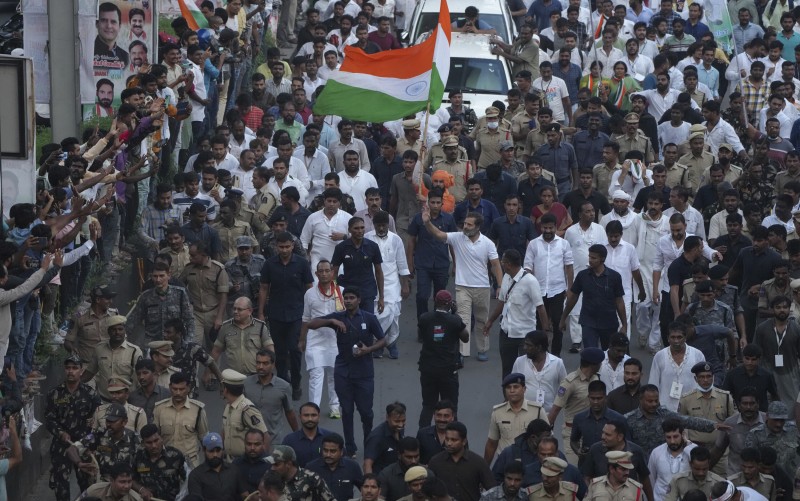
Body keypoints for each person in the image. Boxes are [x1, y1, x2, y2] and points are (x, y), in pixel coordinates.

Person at [306, 287, 387, 456]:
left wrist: (369, 350)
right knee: (347, 411)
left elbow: (383, 340)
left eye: (352, 297)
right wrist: (331, 322)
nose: (348, 300)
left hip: (364, 373)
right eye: (346, 298)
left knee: (366, 412)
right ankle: (350, 447)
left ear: (359, 299)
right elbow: (311, 324)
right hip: (343, 372)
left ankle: (368, 441)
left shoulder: (369, 318)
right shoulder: (338, 317)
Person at [421, 205, 502, 362]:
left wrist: (499, 286)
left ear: (478, 227)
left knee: (482, 320)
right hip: (462, 287)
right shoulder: (457, 238)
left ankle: (482, 349)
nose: (465, 227)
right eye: (465, 223)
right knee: (463, 320)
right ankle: (463, 352)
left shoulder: (488, 243)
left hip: (482, 287)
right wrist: (427, 222)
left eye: (469, 224)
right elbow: (438, 234)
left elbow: (496, 265)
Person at [259, 231, 314, 398]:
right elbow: (263, 288)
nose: (284, 250)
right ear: (277, 247)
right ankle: (284, 383)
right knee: (280, 353)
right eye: (281, 247)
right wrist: (261, 312)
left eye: (287, 247)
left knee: (295, 350)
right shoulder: (269, 264)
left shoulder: (302, 264)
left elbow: (309, 287)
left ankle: (296, 382)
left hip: (297, 314)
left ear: (292, 246)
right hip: (275, 314)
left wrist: (312, 312)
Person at [485, 249, 551, 377]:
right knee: (507, 371)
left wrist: (545, 333)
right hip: (506, 333)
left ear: (508, 264)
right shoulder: (506, 277)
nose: (501, 264)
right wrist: (490, 321)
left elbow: (540, 308)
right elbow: (501, 303)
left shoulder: (530, 281)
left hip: (524, 336)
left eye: (503, 262)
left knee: (527, 371)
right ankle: (508, 397)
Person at [46, 354, 102, 501]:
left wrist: (91, 440)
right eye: (68, 368)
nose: (71, 371)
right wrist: (60, 432)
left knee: (87, 486)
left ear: (81, 371)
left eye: (75, 368)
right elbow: (49, 419)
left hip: (83, 446)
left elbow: (97, 421)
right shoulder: (54, 393)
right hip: (61, 445)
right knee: (61, 487)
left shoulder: (91, 394)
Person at [523, 213, 574, 355]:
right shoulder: (533, 244)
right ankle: (541, 353)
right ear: (540, 228)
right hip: (538, 290)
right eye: (545, 228)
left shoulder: (564, 244)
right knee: (539, 324)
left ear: (555, 227)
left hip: (558, 290)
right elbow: (527, 266)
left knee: (558, 323)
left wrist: (570, 289)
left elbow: (569, 266)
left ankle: (555, 355)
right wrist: (530, 286)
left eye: (551, 228)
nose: (548, 231)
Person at [560, 244, 627, 349]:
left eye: (594, 258)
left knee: (608, 355)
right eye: (589, 256)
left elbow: (619, 301)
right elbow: (573, 298)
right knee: (590, 354)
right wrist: (563, 319)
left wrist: (624, 325)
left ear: (603, 259)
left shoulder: (614, 277)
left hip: (609, 323)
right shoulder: (582, 276)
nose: (590, 260)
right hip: (588, 322)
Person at [624, 384, 719, 459]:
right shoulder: (628, 419)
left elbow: (688, 421)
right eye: (650, 401)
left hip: (662, 463)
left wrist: (714, 425)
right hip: (639, 465)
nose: (654, 404)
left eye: (656, 401)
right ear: (641, 400)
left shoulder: (665, 414)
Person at [299, 260, 343, 418]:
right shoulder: (310, 293)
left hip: (335, 341)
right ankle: (313, 409)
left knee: (334, 375)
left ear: (332, 272)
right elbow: (305, 318)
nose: (324, 274)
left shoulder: (340, 291)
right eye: (321, 271)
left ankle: (334, 407)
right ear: (316, 274)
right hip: (315, 340)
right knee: (316, 376)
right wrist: (302, 340)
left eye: (327, 271)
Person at [417, 290, 468, 427]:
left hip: (427, 368)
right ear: (450, 303)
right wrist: (455, 314)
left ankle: (424, 436)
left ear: (435, 301)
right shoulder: (454, 320)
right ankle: (454, 436)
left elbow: (421, 335)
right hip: (448, 370)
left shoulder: (424, 318)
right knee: (451, 407)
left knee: (428, 405)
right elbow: (465, 337)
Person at [365, 211, 410, 358]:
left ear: (388, 225)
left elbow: (402, 264)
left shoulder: (396, 239)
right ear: (374, 225)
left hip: (392, 284)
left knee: (393, 315)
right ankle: (382, 343)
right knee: (377, 315)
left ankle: (390, 343)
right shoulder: (367, 238)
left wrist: (405, 285)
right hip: (372, 282)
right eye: (378, 226)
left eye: (384, 225)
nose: (381, 228)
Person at [547, 347, 603, 464]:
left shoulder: (595, 378)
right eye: (599, 363)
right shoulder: (569, 383)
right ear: (593, 365)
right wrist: (547, 434)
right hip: (572, 433)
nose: (601, 365)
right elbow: (555, 410)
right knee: (574, 467)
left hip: (592, 430)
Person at [408, 189, 458, 318]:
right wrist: (410, 264)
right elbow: (411, 241)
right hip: (423, 263)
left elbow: (453, 242)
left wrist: (456, 264)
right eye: (433, 202)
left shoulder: (448, 219)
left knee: (440, 297)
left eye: (438, 202)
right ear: (428, 203)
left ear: (442, 203)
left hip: (442, 264)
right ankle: (422, 326)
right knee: (422, 296)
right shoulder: (419, 218)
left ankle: (437, 327)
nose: (435, 205)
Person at [125, 262, 194, 345]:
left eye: (161, 276)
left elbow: (189, 320)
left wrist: (188, 342)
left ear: (168, 275)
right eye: (155, 276)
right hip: (152, 344)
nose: (158, 280)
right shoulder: (146, 296)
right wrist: (123, 337)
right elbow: (133, 319)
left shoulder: (180, 294)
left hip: (174, 344)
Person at [485, 373, 548, 463]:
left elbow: (548, 439)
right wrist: (485, 470)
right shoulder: (497, 412)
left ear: (524, 389)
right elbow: (491, 443)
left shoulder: (537, 411)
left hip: (530, 462)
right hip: (506, 462)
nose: (512, 390)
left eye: (516, 387)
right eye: (508, 387)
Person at [152, 371, 210, 468]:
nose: (178, 393)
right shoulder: (159, 409)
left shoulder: (198, 410)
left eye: (181, 389)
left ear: (188, 388)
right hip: (165, 463)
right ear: (170, 387)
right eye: (175, 389)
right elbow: (154, 437)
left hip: (190, 463)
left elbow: (204, 439)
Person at [428, 422, 496, 501]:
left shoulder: (478, 462)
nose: (449, 443)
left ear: (464, 441)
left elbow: (492, 490)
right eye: (447, 439)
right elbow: (428, 490)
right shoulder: (435, 462)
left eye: (454, 440)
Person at [81, 316, 144, 401]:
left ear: (125, 330)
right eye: (113, 330)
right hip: (104, 401)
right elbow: (90, 371)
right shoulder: (99, 349)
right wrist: (74, 384)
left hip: (127, 402)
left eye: (120, 329)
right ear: (108, 332)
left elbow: (141, 378)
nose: (117, 332)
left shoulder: (134, 351)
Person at [244, 349, 299, 444]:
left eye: (265, 363)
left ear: (273, 365)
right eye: (258, 363)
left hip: (274, 441)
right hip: (250, 441)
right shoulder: (246, 383)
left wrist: (298, 435)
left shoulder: (284, 387)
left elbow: (290, 413)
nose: (261, 367)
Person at [210, 297, 274, 378]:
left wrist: (269, 373)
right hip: (232, 376)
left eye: (239, 309)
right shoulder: (225, 327)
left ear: (249, 311)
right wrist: (208, 372)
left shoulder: (260, 327)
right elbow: (216, 351)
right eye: (234, 309)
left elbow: (271, 352)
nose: (235, 312)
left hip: (255, 376)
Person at [647, 418, 697, 500]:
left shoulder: (692, 449)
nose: (672, 441)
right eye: (668, 437)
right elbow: (651, 479)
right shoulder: (657, 452)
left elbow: (698, 462)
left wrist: (687, 444)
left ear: (683, 434)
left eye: (676, 436)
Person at [133, 424, 186, 501]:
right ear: (143, 443)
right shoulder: (138, 457)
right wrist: (141, 489)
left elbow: (188, 478)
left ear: (161, 438)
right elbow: (130, 479)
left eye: (156, 440)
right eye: (149, 442)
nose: (154, 445)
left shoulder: (176, 456)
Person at [306, 432, 364, 501]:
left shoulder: (353, 467)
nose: (328, 454)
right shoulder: (311, 468)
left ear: (341, 452)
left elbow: (364, 489)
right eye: (325, 450)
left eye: (333, 451)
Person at [269, 445, 337, 501]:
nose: (272, 468)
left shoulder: (312, 478)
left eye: (276, 465)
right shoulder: (270, 480)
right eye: (272, 465)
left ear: (288, 464)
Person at [187, 432, 244, 500]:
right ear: (204, 450)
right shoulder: (196, 476)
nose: (215, 455)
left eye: (218, 450)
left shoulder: (234, 470)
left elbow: (244, 495)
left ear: (222, 450)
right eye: (211, 451)